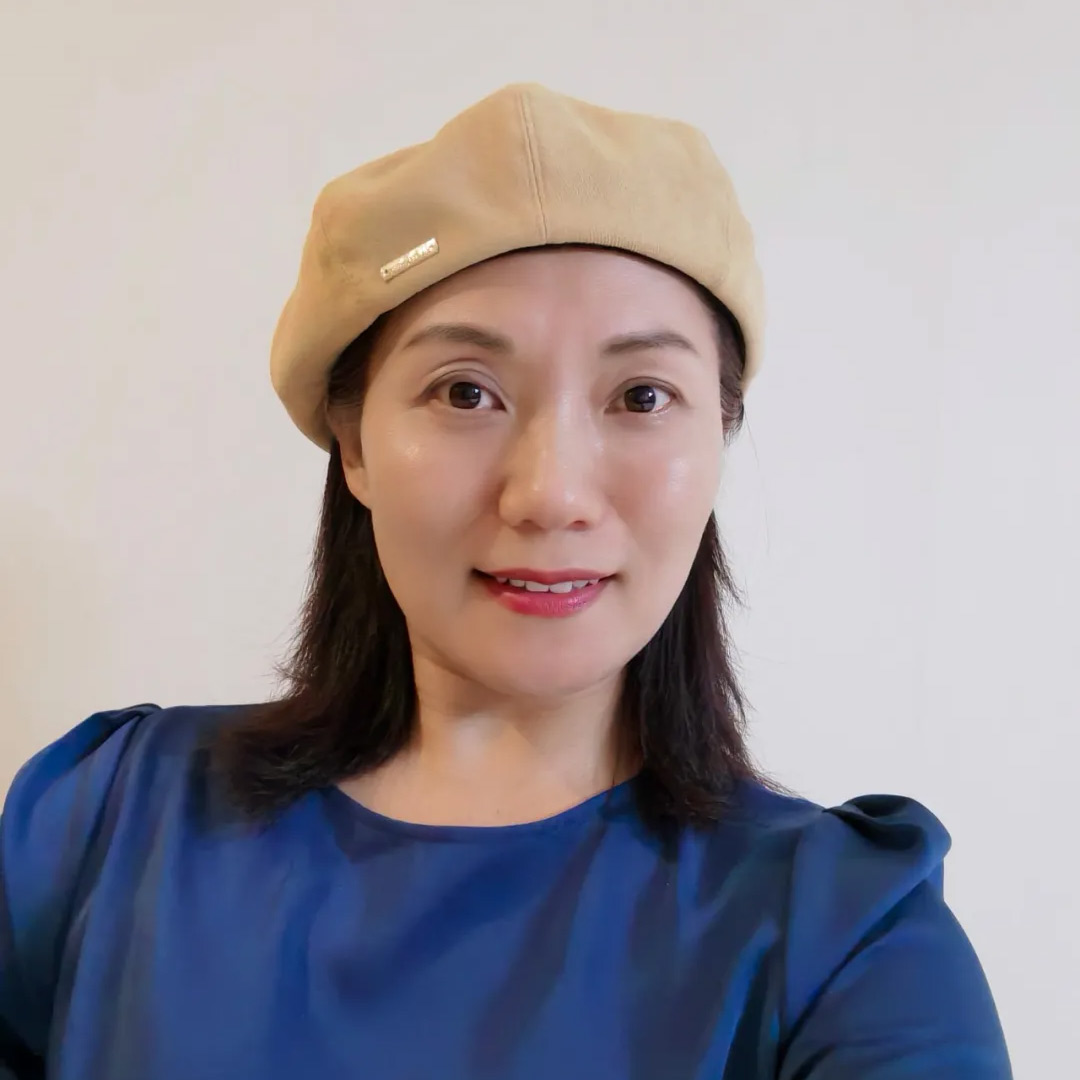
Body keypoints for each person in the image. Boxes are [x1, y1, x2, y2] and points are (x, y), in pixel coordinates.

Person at [0, 83, 1011, 1079]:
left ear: (720, 435)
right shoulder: (106, 826)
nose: (551, 494)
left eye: (642, 396)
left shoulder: (848, 943)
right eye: (465, 392)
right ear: (354, 445)